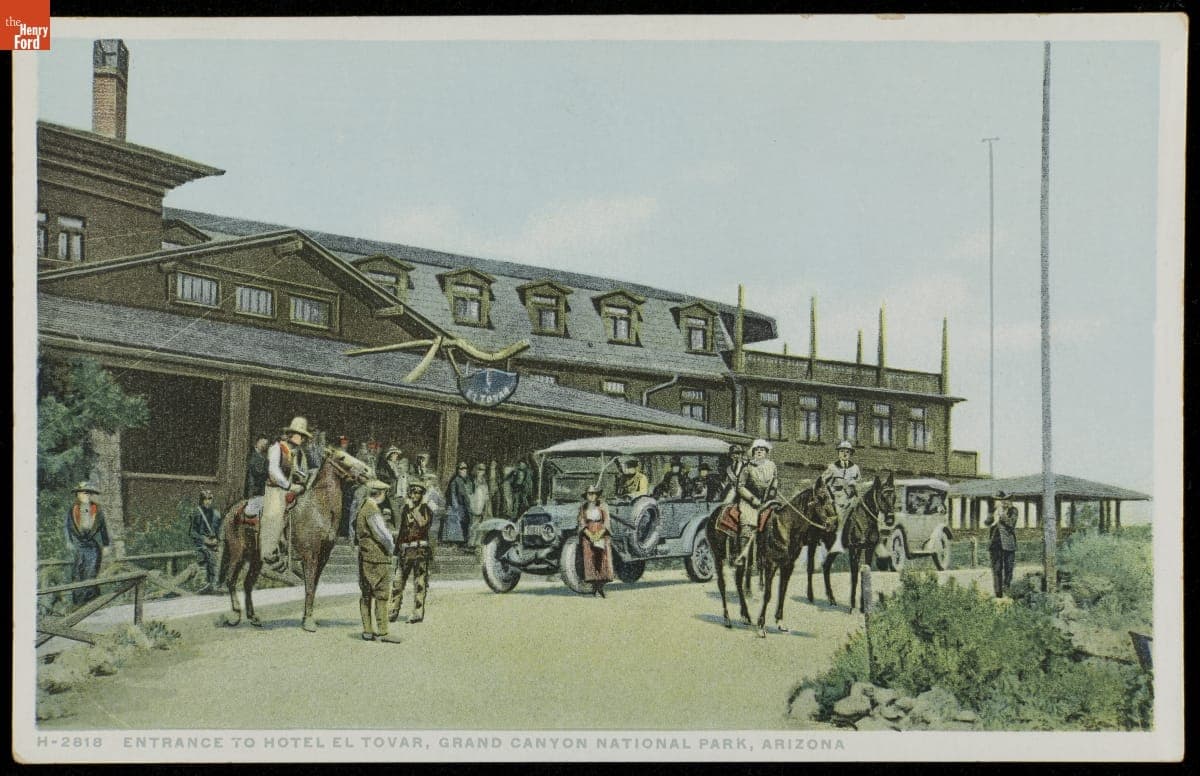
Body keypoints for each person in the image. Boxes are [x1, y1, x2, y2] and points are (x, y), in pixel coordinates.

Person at [260, 417, 312, 567]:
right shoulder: (277, 448)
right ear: (291, 434)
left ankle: (296, 549)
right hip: (276, 490)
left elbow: (303, 472)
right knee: (274, 514)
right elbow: (274, 471)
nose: (301, 438)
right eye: (298, 435)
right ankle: (267, 551)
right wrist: (288, 485)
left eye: (303, 436)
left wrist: (301, 483)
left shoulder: (299, 453)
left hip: (294, 490)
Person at [355, 478, 400, 642]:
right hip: (378, 557)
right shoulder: (372, 509)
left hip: (365, 555)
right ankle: (383, 632)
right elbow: (383, 535)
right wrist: (392, 548)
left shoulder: (362, 507)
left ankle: (367, 630)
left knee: (366, 594)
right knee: (381, 594)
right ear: (380, 494)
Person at [390, 482, 435, 624]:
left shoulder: (426, 509)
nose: (414, 495)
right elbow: (403, 530)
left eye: (417, 493)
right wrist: (396, 551)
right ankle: (392, 611)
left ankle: (417, 613)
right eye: (412, 493)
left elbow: (423, 524)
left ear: (422, 495)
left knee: (420, 583)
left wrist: (412, 509)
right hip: (406, 551)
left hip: (420, 551)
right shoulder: (405, 510)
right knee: (398, 582)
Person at [732, 439, 779, 567]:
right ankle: (743, 557)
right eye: (756, 450)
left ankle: (772, 557)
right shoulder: (747, 467)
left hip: (767, 501)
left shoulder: (772, 466)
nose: (759, 452)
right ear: (753, 452)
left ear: (766, 452)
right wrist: (753, 499)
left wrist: (771, 496)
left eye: (762, 450)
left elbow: (774, 482)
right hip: (749, 502)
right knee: (748, 524)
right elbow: (740, 486)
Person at [65, 481, 110, 605]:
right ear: (78, 495)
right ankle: (78, 603)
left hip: (92, 547)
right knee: (77, 573)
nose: (85, 496)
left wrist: (106, 545)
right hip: (79, 546)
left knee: (90, 573)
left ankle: (91, 603)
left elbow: (103, 528)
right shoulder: (73, 509)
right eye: (82, 493)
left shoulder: (97, 509)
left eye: (87, 493)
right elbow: (67, 526)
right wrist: (69, 541)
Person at [821, 440, 862, 555]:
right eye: (842, 451)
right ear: (838, 453)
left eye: (847, 452)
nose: (845, 454)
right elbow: (822, 482)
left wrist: (855, 485)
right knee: (839, 516)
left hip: (852, 498)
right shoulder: (832, 468)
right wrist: (829, 493)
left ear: (850, 454)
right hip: (837, 499)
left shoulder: (855, 468)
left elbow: (859, 483)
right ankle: (837, 541)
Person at [577, 485, 614, 597]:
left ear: (597, 495)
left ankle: (601, 587)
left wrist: (599, 534)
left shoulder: (603, 506)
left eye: (594, 493)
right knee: (590, 560)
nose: (592, 496)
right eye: (589, 494)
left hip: (601, 532)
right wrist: (589, 534)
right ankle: (594, 588)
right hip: (588, 534)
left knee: (602, 560)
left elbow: (607, 522)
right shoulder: (583, 507)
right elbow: (581, 522)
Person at [984, 491, 1019, 598]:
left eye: (1006, 500)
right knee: (996, 569)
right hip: (995, 544)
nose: (1004, 502)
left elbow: (1011, 524)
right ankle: (998, 594)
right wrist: (991, 513)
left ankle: (1006, 590)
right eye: (1001, 500)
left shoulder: (1013, 511)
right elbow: (987, 523)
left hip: (1008, 544)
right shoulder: (994, 510)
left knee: (1009, 569)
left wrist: (1002, 515)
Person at [190, 489, 222, 593]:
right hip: (200, 543)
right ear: (201, 500)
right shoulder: (197, 513)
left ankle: (215, 583)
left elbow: (219, 531)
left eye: (210, 499)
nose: (208, 501)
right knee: (209, 554)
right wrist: (204, 539)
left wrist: (217, 539)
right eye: (205, 499)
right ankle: (210, 583)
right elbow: (192, 532)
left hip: (214, 543)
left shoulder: (216, 514)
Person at [442, 462, 472, 545]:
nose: (463, 470)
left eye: (465, 468)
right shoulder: (455, 481)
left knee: (466, 523)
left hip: (465, 506)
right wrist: (456, 507)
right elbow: (453, 495)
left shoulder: (467, 481)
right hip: (458, 507)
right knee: (458, 524)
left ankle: (464, 542)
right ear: (458, 470)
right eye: (461, 469)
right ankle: (456, 543)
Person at [467, 462, 492, 549]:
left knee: (481, 525)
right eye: (479, 469)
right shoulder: (471, 481)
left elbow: (487, 496)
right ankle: (471, 543)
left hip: (482, 505)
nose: (481, 471)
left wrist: (486, 506)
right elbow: (469, 495)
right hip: (474, 505)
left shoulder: (484, 482)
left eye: (483, 470)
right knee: (473, 525)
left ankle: (478, 542)